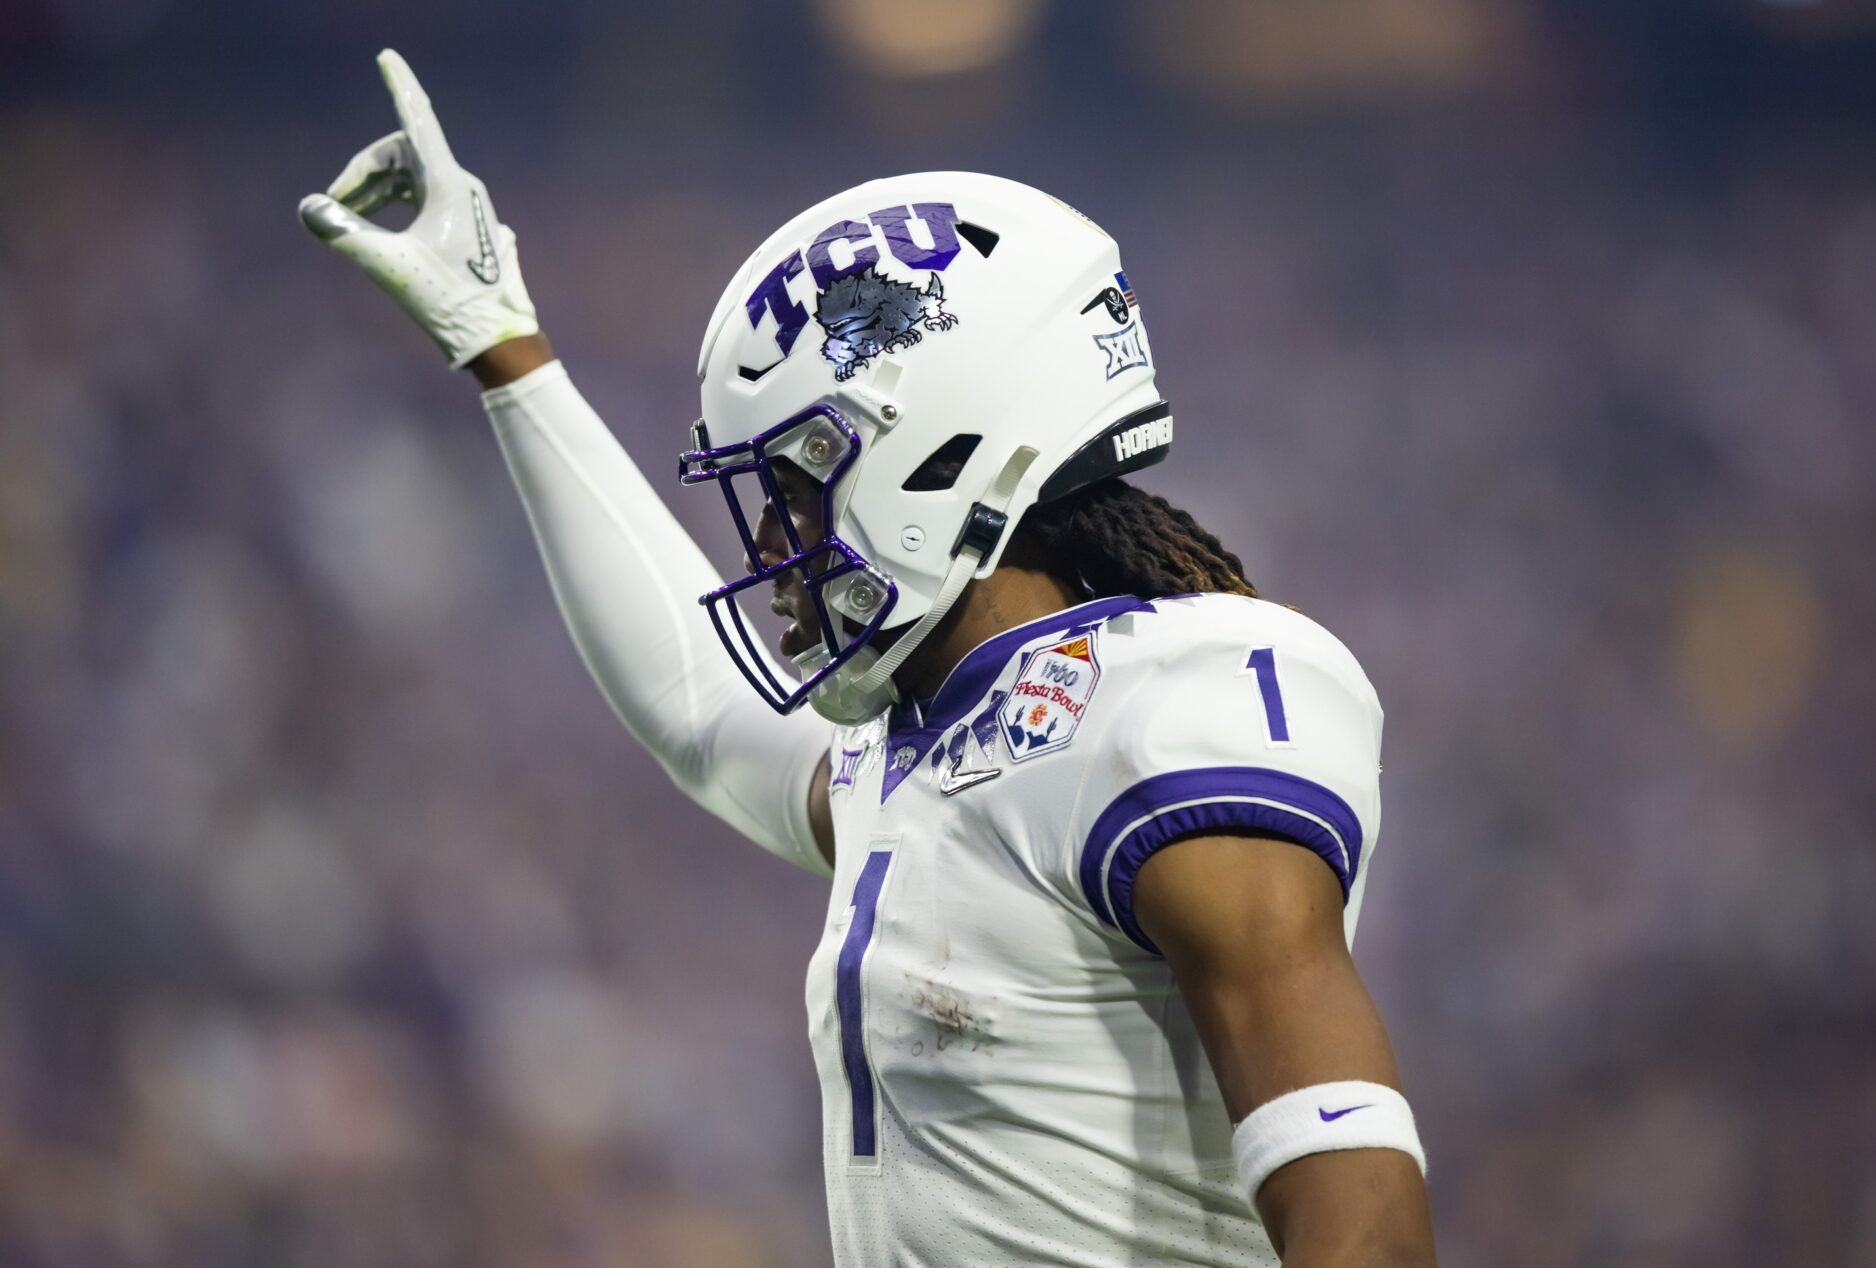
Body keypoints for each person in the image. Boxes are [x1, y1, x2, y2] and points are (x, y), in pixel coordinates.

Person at [299, 49, 1437, 1268]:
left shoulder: (1172, 700)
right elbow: (700, 705)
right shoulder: (927, 740)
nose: (776, 548)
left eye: (795, 488)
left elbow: (1357, 1210)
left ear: (939, 450)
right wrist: (505, 347)